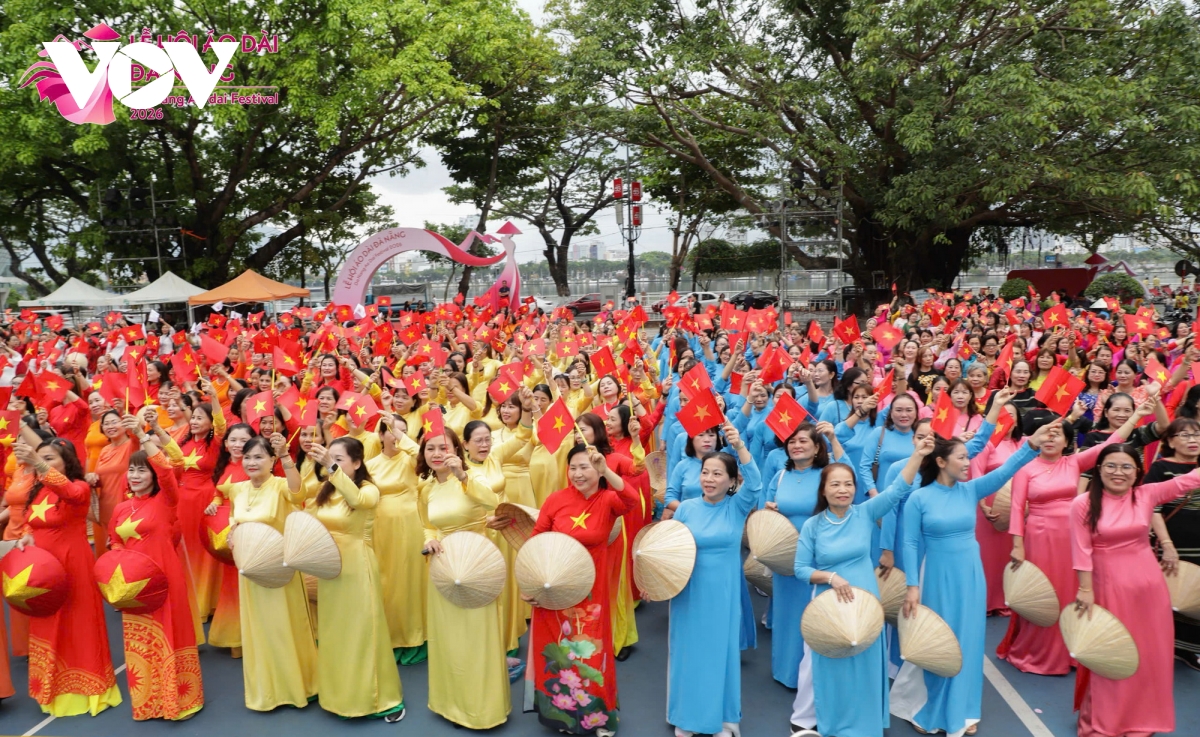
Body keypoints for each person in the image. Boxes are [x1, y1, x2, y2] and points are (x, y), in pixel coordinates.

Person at [890, 421, 1054, 736]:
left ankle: (964, 709)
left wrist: (1031, 445)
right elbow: (910, 544)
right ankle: (932, 708)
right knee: (940, 639)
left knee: (968, 638)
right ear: (941, 462)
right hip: (936, 576)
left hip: (970, 575)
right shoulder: (919, 499)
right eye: (961, 458)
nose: (968, 463)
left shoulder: (971, 489)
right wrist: (912, 586)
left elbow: (1006, 471)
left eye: (968, 458)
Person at [997, 401, 1153, 675]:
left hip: (1072, 539)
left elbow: (1111, 442)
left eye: (1057, 435)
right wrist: (1017, 546)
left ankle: (1070, 649)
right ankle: (1034, 652)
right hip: (1038, 538)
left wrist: (1138, 416)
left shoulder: (1075, 462)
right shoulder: (1026, 468)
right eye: (1046, 434)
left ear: (1068, 441)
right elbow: (1017, 508)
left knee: (1070, 593)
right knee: (1042, 594)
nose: (1050, 438)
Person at [791, 436, 932, 737]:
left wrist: (918, 455)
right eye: (835, 484)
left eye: (848, 484)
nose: (842, 490)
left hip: (866, 602)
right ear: (824, 490)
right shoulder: (813, 525)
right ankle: (830, 720)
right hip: (828, 605)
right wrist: (830, 578)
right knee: (828, 664)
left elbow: (897, 490)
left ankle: (864, 723)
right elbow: (801, 569)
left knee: (864, 663)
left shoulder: (865, 512)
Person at [1070, 443, 1200, 737]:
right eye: (1111, 466)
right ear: (1099, 470)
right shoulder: (1082, 504)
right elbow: (1081, 551)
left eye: (1126, 466)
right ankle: (1106, 720)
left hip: (1149, 588)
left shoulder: (1146, 495)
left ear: (1138, 472)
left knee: (1149, 653)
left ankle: (1142, 717)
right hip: (1107, 587)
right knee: (1111, 651)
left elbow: (1189, 479)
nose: (1119, 473)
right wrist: (1085, 590)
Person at [525, 443, 637, 736]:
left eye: (584, 466)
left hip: (591, 592)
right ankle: (564, 716)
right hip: (555, 590)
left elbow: (632, 500)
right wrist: (529, 584)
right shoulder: (555, 500)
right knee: (559, 653)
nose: (577, 473)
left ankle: (597, 718)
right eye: (572, 467)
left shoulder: (608, 500)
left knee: (589, 654)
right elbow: (536, 542)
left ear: (597, 469)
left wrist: (606, 471)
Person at [13, 436, 122, 716]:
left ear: (67, 461)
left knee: (77, 624)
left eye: (50, 458)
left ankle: (86, 691)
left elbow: (71, 495)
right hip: (42, 572)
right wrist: (26, 538)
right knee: (48, 625)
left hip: (72, 567)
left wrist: (36, 462)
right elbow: (30, 523)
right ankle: (52, 690)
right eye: (41, 458)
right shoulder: (38, 490)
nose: (43, 463)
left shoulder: (80, 487)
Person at [667, 422, 760, 737]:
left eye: (718, 474)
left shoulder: (737, 506)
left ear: (732, 481)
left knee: (720, 652)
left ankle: (723, 717)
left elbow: (757, 484)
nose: (709, 479)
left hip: (722, 591)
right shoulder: (687, 509)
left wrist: (741, 446)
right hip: (687, 590)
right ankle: (686, 716)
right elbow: (670, 550)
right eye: (705, 472)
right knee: (687, 652)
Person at [107, 416, 204, 720]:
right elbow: (113, 543)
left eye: (141, 470)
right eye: (131, 470)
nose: (135, 475)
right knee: (140, 640)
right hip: (132, 585)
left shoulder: (166, 500)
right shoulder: (122, 508)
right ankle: (149, 702)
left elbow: (166, 470)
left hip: (164, 577)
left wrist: (140, 433)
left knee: (170, 633)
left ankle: (182, 701)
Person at [305, 436, 405, 721]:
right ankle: (339, 696)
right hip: (330, 569)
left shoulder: (368, 489)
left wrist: (331, 470)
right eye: (329, 458)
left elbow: (358, 501)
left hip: (357, 566)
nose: (332, 464)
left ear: (358, 462)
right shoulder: (325, 490)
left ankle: (381, 699)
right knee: (335, 632)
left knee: (364, 631)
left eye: (339, 459)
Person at [418, 427, 510, 729]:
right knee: (448, 637)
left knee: (476, 636)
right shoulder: (426, 487)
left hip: (474, 565)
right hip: (443, 566)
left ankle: (482, 709)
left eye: (442, 448)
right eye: (429, 448)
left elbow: (492, 502)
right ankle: (450, 704)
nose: (436, 454)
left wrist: (463, 477)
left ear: (457, 450)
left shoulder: (473, 478)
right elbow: (428, 524)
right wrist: (429, 540)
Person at [226, 434, 318, 711]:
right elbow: (235, 521)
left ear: (272, 460)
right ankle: (266, 691)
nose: (252, 462)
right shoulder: (237, 489)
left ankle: (298, 687)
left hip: (280, 569)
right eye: (247, 457)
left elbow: (299, 495)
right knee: (259, 630)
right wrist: (232, 533)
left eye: (259, 457)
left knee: (284, 626)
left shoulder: (280, 485)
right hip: (250, 572)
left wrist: (287, 457)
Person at [763, 421, 846, 689]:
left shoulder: (827, 473)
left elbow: (850, 482)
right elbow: (763, 505)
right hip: (784, 555)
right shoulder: (781, 476)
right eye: (792, 441)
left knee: (813, 613)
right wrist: (769, 510)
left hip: (817, 557)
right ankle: (786, 671)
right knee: (787, 614)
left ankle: (813, 676)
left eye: (803, 441)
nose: (796, 446)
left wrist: (834, 438)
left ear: (817, 446)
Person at [365, 414, 427, 663]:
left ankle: (414, 638)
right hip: (379, 529)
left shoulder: (413, 460)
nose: (396, 435)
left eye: (402, 430)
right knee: (385, 583)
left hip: (409, 527)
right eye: (390, 430)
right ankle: (388, 638)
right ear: (380, 435)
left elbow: (423, 457)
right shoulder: (370, 465)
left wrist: (403, 437)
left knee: (409, 582)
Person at [1143, 417, 1200, 671]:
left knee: (1195, 598)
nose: (1193, 440)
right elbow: (1152, 508)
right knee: (1169, 596)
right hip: (1174, 543)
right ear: (1170, 441)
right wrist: (1167, 545)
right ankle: (1161, 646)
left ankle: (1189, 650)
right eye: (1185, 436)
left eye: (1197, 435)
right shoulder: (1160, 468)